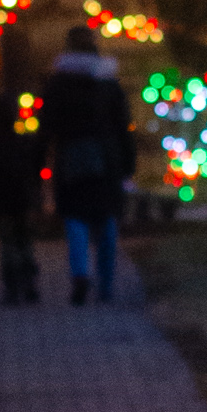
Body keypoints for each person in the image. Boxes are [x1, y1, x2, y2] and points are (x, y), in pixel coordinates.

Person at [42, 24, 130, 306]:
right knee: (107, 221)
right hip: (107, 159)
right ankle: (106, 284)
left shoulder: (57, 84)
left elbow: (47, 126)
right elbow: (122, 127)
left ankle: (80, 273)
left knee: (75, 218)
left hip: (70, 158)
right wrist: (128, 163)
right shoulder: (108, 83)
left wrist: (38, 159)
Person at [0, 90, 48, 305]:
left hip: (0, 202)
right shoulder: (23, 143)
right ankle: (29, 283)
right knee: (24, 242)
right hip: (23, 200)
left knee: (8, 244)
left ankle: (12, 287)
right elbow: (36, 167)